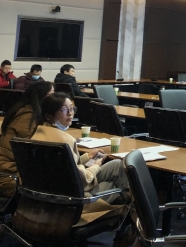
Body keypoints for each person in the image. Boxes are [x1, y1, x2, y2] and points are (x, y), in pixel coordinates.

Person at [31, 93, 134, 245]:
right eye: (64, 110)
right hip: (75, 201)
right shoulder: (65, 141)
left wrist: (86, 157)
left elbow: (67, 166)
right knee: (121, 181)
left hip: (47, 196)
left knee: (117, 165)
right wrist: (96, 165)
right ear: (49, 115)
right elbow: (83, 180)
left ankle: (128, 227)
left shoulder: (37, 134)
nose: (70, 113)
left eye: (72, 109)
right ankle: (131, 228)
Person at [0, 81, 55, 196]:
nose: (54, 99)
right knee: (57, 185)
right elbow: (32, 154)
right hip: (7, 176)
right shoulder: (27, 118)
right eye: (51, 95)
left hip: (13, 171)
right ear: (40, 96)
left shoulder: (29, 113)